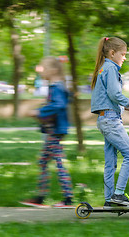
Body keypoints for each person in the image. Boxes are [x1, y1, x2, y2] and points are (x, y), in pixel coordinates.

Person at [91, 37, 129, 209]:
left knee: (110, 162)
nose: (124, 58)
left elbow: (109, 99)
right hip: (110, 120)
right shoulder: (111, 68)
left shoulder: (104, 69)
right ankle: (119, 194)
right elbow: (115, 94)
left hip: (105, 118)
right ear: (112, 53)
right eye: (123, 54)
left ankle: (109, 200)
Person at [20, 56, 74, 208]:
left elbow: (59, 105)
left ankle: (67, 198)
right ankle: (41, 197)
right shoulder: (56, 86)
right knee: (44, 162)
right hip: (53, 130)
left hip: (55, 131)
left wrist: (39, 112)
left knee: (57, 162)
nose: (40, 71)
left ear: (53, 70)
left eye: (43, 68)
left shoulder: (57, 87)